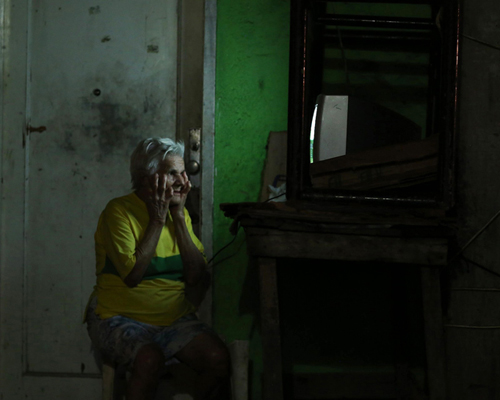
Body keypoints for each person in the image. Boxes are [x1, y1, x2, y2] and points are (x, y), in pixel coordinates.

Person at [85, 137, 229, 400]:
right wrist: (157, 218)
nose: (183, 181)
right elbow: (132, 275)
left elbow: (196, 275)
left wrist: (177, 217)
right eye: (172, 173)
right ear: (146, 177)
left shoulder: (179, 212)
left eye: (183, 173)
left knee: (217, 359)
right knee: (149, 360)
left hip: (173, 318)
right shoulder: (118, 212)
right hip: (118, 316)